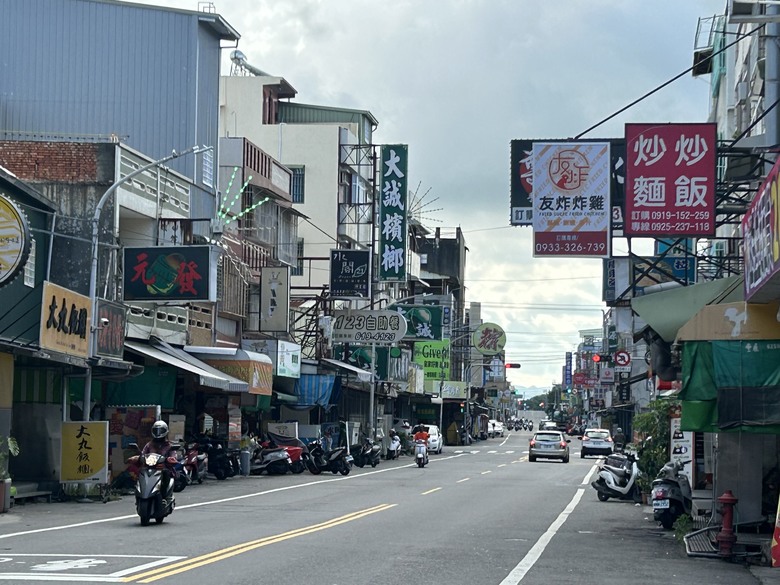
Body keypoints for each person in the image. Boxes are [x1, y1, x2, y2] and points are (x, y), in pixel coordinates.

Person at [141, 420, 179, 502]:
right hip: (150, 468)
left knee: (165, 473)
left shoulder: (169, 445)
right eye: (156, 430)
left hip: (163, 468)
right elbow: (143, 454)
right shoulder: (149, 445)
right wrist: (138, 458)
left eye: (160, 431)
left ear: (165, 431)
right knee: (140, 473)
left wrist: (170, 459)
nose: (158, 433)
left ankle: (164, 496)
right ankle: (140, 494)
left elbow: (173, 455)